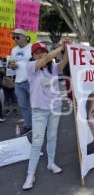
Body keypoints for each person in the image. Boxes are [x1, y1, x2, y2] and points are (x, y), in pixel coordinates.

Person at [22, 41, 70, 190]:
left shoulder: (53, 68)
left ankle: (51, 163)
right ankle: (30, 174)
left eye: (43, 51)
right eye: (38, 52)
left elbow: (64, 62)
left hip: (54, 109)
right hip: (39, 111)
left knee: (52, 137)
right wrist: (61, 47)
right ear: (34, 55)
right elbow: (48, 57)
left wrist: (67, 49)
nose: (41, 54)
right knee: (37, 143)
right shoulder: (30, 67)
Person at [9, 29, 32, 135]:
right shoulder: (13, 50)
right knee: (23, 106)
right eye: (13, 38)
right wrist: (12, 66)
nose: (15, 40)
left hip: (31, 82)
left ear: (24, 37)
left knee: (37, 107)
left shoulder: (32, 47)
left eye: (17, 37)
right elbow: (12, 65)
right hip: (18, 83)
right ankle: (28, 125)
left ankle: (40, 126)